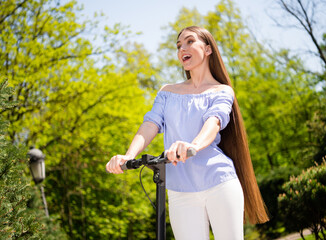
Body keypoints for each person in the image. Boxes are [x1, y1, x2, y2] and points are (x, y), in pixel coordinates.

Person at [106, 26, 269, 239]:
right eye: (178, 45)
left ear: (208, 49)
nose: (182, 48)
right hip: (179, 189)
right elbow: (150, 124)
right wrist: (129, 155)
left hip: (219, 181)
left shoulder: (221, 91)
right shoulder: (167, 92)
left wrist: (193, 145)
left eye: (190, 41)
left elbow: (213, 122)